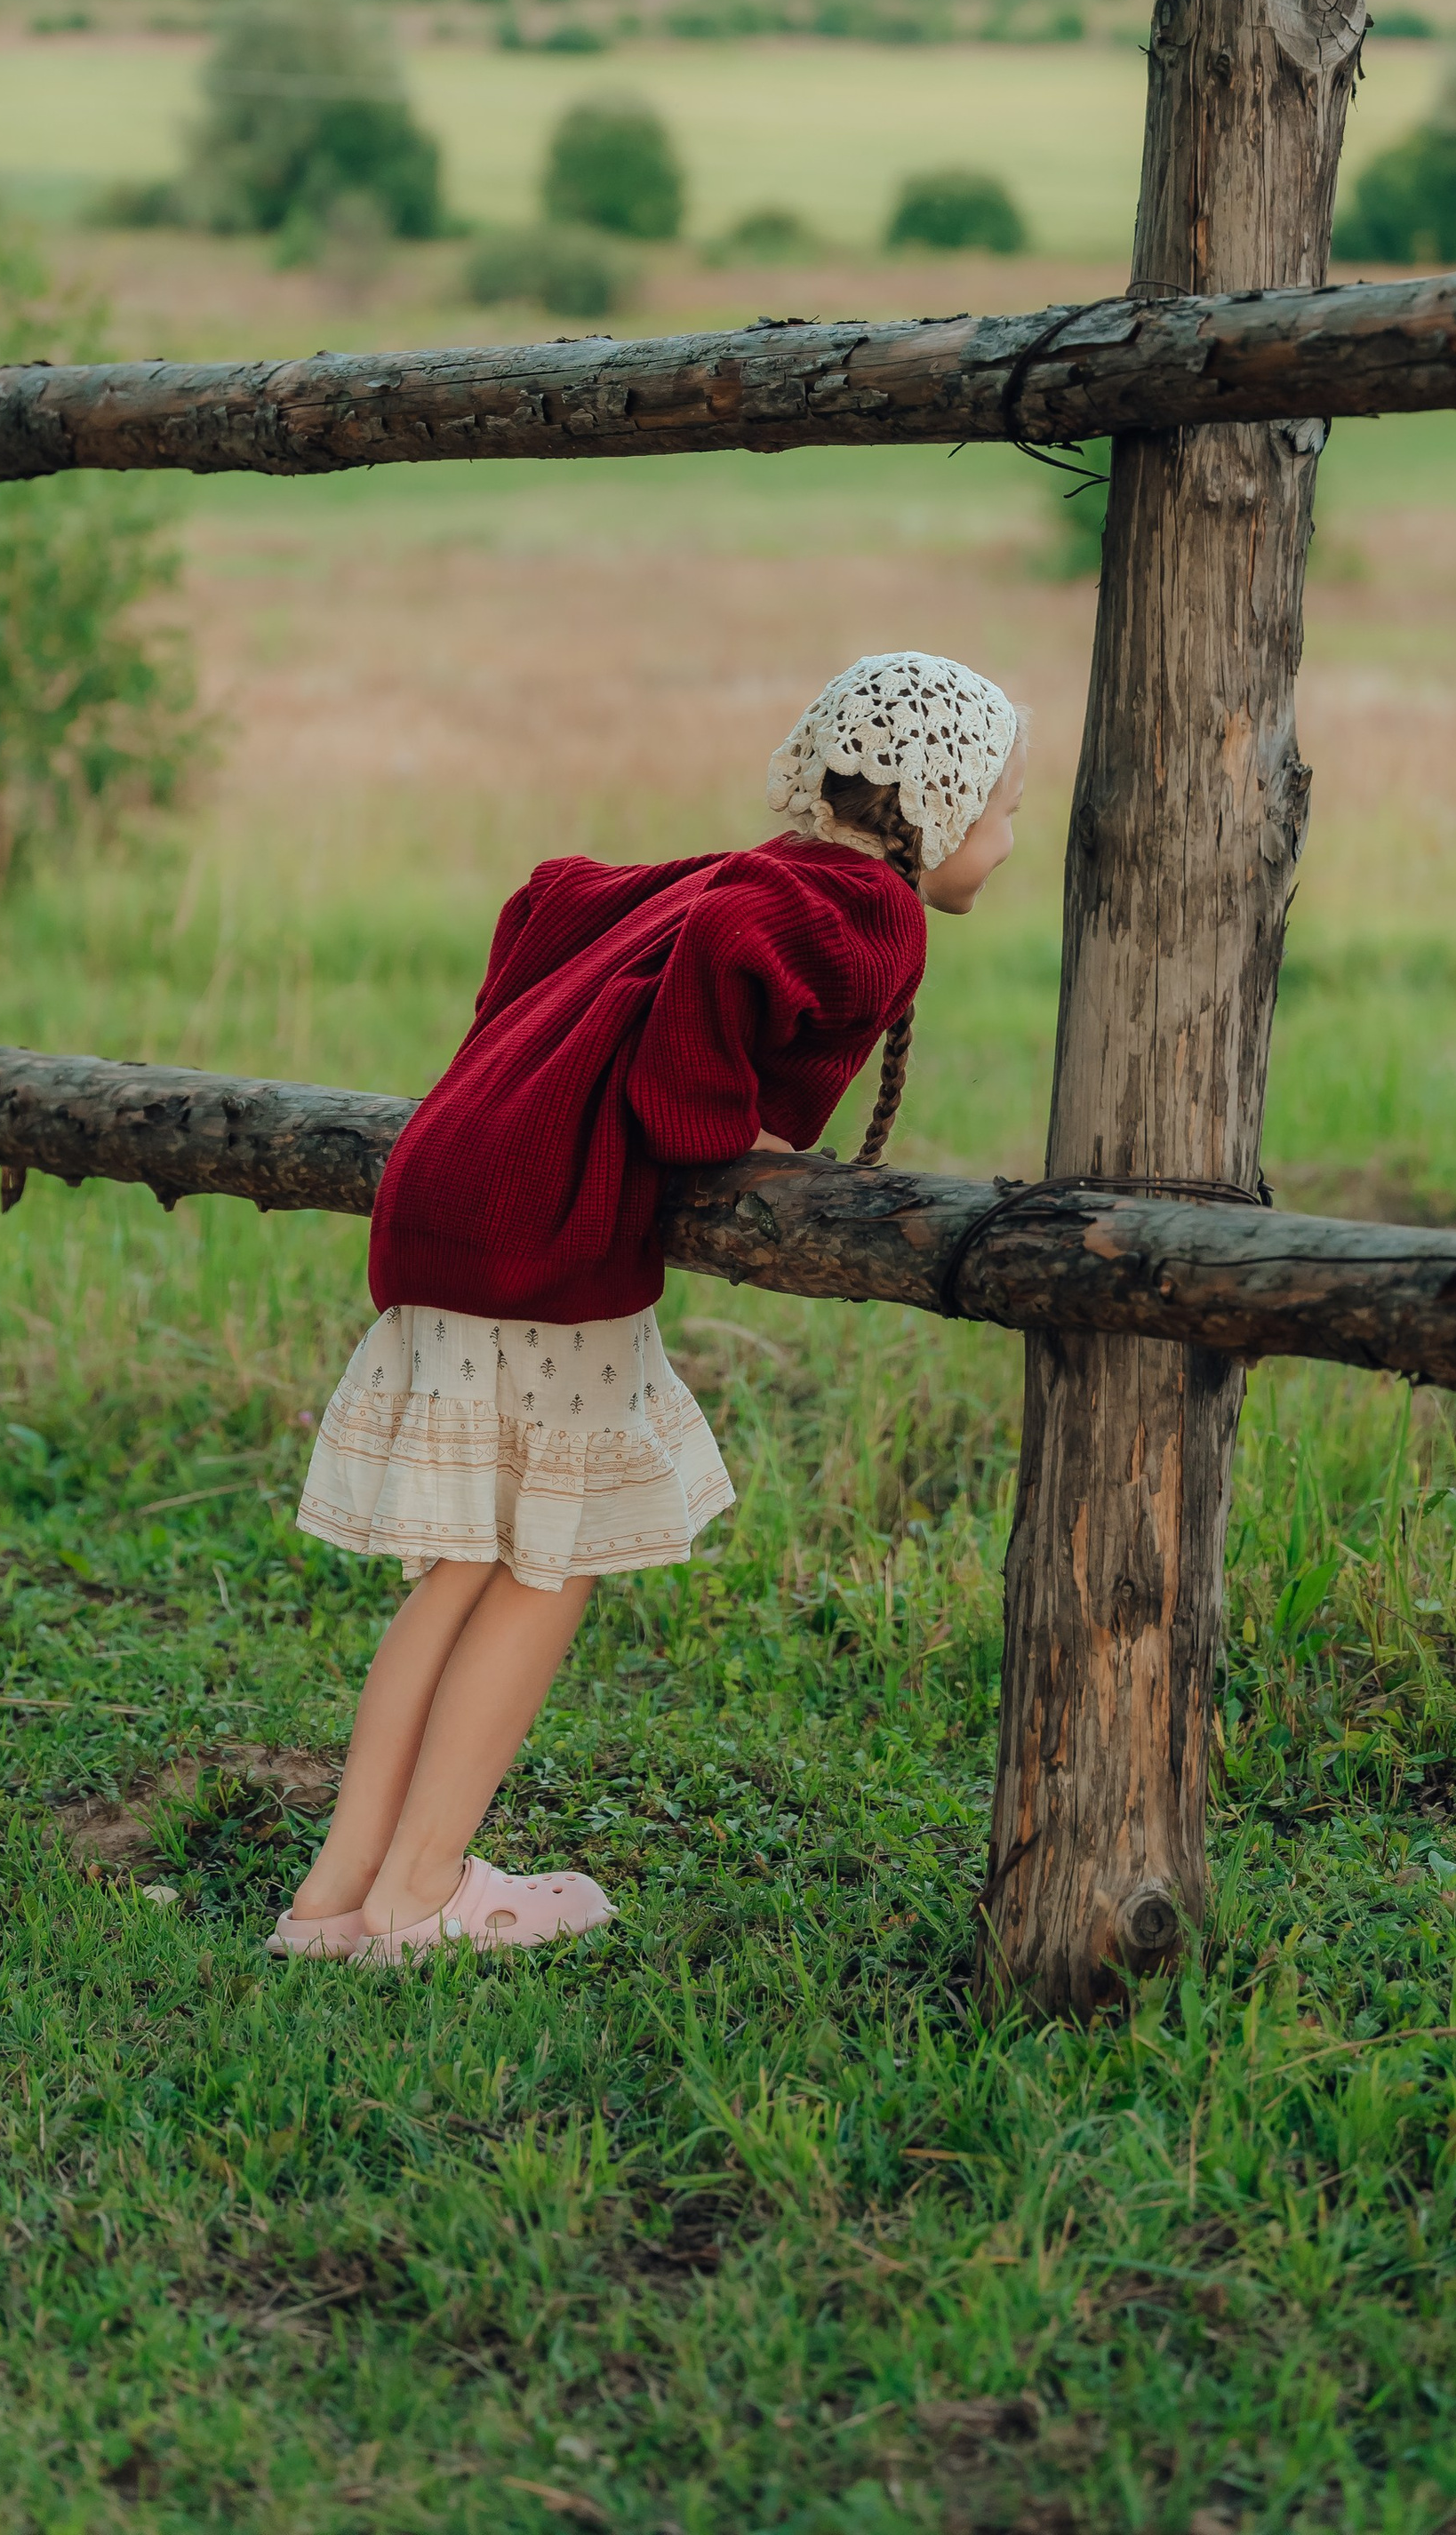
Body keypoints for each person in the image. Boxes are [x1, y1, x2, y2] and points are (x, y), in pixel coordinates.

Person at [273, 651, 1028, 1963]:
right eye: (1007, 809)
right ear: (942, 806)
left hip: (453, 1197)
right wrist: (707, 1123)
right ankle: (423, 1894)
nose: (1011, 840)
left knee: (462, 1567)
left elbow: (553, 896)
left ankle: (337, 1897)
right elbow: (732, 971)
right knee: (548, 1565)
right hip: (550, 1246)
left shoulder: (749, 866)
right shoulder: (857, 901)